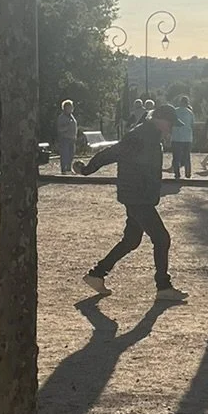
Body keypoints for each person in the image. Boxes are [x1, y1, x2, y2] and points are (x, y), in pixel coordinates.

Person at [78, 103, 187, 299]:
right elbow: (112, 153)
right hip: (137, 197)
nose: (172, 128)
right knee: (162, 238)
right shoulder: (141, 135)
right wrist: (87, 169)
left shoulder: (151, 136)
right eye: (170, 123)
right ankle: (163, 286)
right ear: (160, 120)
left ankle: (96, 274)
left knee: (131, 240)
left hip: (139, 196)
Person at [170, 94, 195, 182]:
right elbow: (192, 125)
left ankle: (177, 174)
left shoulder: (174, 111)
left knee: (176, 156)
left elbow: (171, 123)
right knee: (187, 156)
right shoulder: (190, 113)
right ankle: (188, 173)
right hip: (187, 138)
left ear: (180, 102)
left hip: (176, 137)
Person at [55, 99, 79, 175]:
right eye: (68, 108)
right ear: (64, 108)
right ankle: (64, 169)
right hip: (65, 138)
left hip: (72, 138)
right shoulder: (62, 117)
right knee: (64, 154)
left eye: (71, 107)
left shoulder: (71, 117)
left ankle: (69, 168)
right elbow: (60, 129)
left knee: (71, 154)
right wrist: (67, 126)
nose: (70, 109)